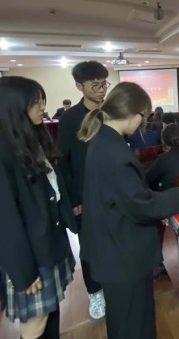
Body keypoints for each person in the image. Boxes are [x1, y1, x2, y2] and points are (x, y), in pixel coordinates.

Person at [79, 82, 179, 339]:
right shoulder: (114, 152)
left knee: (127, 320)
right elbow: (142, 205)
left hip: (113, 246)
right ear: (130, 112)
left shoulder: (104, 139)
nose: (143, 121)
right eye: (143, 115)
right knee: (133, 324)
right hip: (122, 253)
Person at [0, 76, 77, 339]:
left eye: (42, 100)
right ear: (13, 106)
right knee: (35, 323)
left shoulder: (33, 139)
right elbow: (3, 220)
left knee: (51, 312)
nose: (43, 107)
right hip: (31, 255)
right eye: (35, 102)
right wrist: (23, 270)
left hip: (50, 244)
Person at [55, 60, 109, 319]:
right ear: (79, 86)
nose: (101, 90)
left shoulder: (111, 111)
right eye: (95, 85)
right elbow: (63, 162)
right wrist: (74, 198)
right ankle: (95, 291)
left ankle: (113, 282)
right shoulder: (70, 118)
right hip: (85, 195)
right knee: (89, 247)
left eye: (104, 84)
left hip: (113, 191)